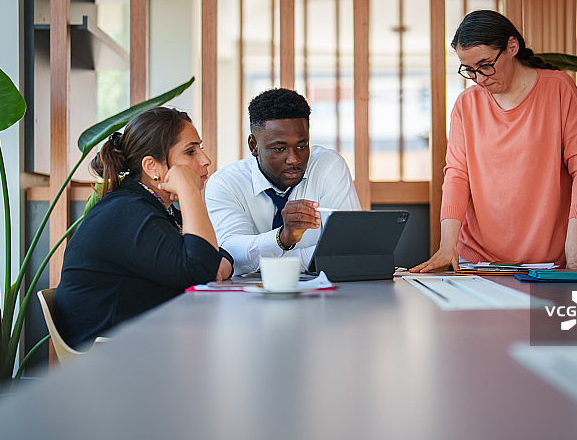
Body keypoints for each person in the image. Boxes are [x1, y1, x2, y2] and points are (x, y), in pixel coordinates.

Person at [411, 10, 577, 272]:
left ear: (512, 47)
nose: (479, 78)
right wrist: (447, 245)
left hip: (547, 262)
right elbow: (456, 176)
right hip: (477, 260)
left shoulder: (559, 90)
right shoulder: (467, 104)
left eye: (486, 65)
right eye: (470, 70)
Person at [56, 107, 234, 349]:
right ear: (152, 167)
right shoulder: (127, 211)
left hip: (146, 341)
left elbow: (215, 256)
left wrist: (213, 265)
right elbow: (202, 268)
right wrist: (188, 189)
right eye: (191, 151)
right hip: (108, 354)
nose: (206, 160)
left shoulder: (154, 206)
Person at [205, 88, 360, 274]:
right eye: (279, 149)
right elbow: (232, 254)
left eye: (302, 146)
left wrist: (269, 262)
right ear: (253, 146)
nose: (294, 159)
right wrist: (282, 239)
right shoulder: (225, 183)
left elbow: (348, 249)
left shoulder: (328, 166)